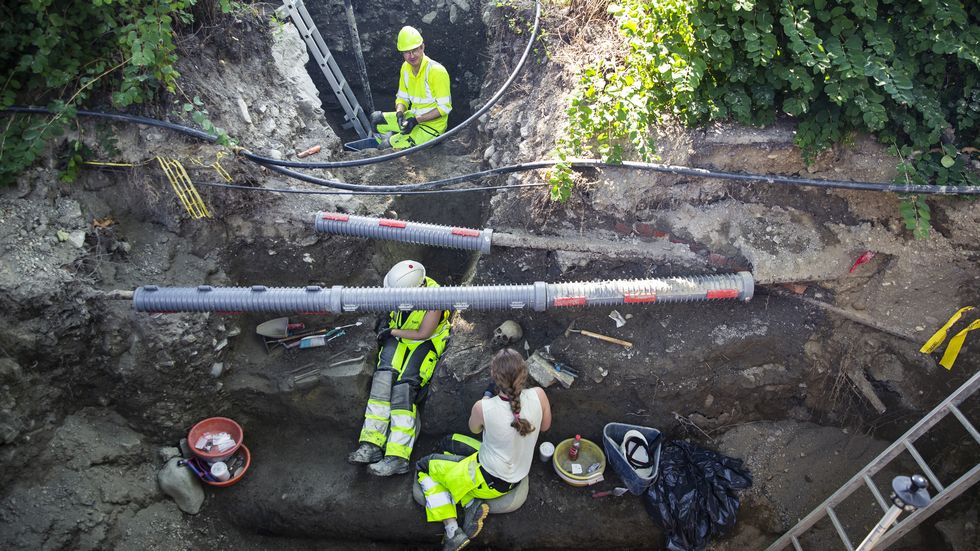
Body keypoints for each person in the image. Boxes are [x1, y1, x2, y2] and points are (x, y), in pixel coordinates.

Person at [415, 348, 552, 551]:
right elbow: (545, 427)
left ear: (494, 377)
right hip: (514, 471)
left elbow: (474, 428)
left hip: (491, 480)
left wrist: (487, 401)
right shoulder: (539, 395)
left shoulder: (483, 407)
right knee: (448, 442)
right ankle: (470, 503)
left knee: (424, 466)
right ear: (524, 373)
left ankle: (453, 530)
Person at [348, 260, 452, 476]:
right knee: (382, 382)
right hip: (400, 336)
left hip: (424, 343)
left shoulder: (435, 299)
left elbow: (424, 333)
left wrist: (392, 332)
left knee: (403, 391)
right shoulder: (402, 285)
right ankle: (372, 444)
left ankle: (397, 457)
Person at [370, 25, 452, 149]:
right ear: (402, 53)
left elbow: (444, 108)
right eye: (407, 52)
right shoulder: (405, 68)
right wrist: (399, 113)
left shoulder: (436, 72)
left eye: (415, 50)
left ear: (422, 47)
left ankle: (395, 144)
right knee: (376, 119)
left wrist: (416, 120)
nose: (412, 55)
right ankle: (397, 140)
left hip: (431, 128)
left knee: (384, 148)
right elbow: (402, 98)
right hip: (412, 118)